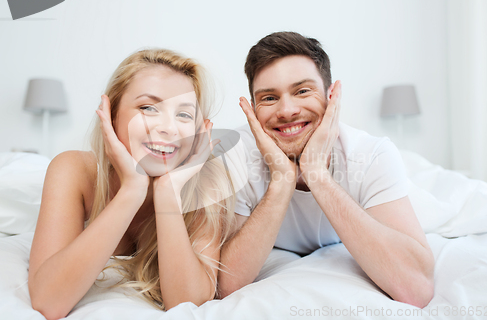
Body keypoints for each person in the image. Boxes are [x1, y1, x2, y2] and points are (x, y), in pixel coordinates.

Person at [217, 32, 435, 308]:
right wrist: (283, 181)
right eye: (269, 98)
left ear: (332, 97)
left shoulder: (371, 154)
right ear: (252, 109)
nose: (286, 111)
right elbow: (226, 287)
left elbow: (417, 289)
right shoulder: (236, 158)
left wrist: (317, 175)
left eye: (302, 91)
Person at [28, 49, 235, 319]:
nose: (168, 128)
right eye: (148, 108)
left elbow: (187, 304)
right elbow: (48, 301)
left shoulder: (209, 183)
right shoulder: (74, 170)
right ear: (111, 114)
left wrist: (167, 192)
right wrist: (132, 190)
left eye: (184, 115)